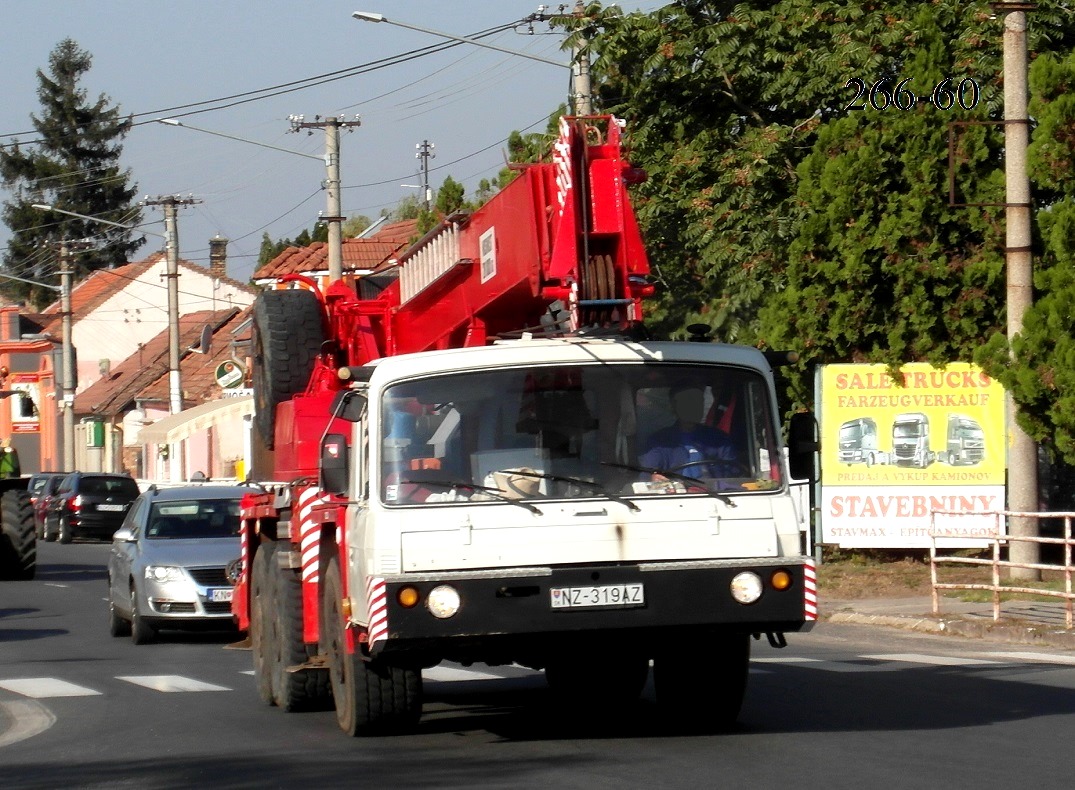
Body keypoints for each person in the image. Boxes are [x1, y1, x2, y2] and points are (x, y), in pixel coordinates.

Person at [638, 385, 737, 478]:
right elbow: (647, 475)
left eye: (699, 401)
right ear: (674, 406)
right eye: (687, 401)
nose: (695, 406)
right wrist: (654, 478)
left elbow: (734, 477)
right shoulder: (659, 441)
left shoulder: (720, 439)